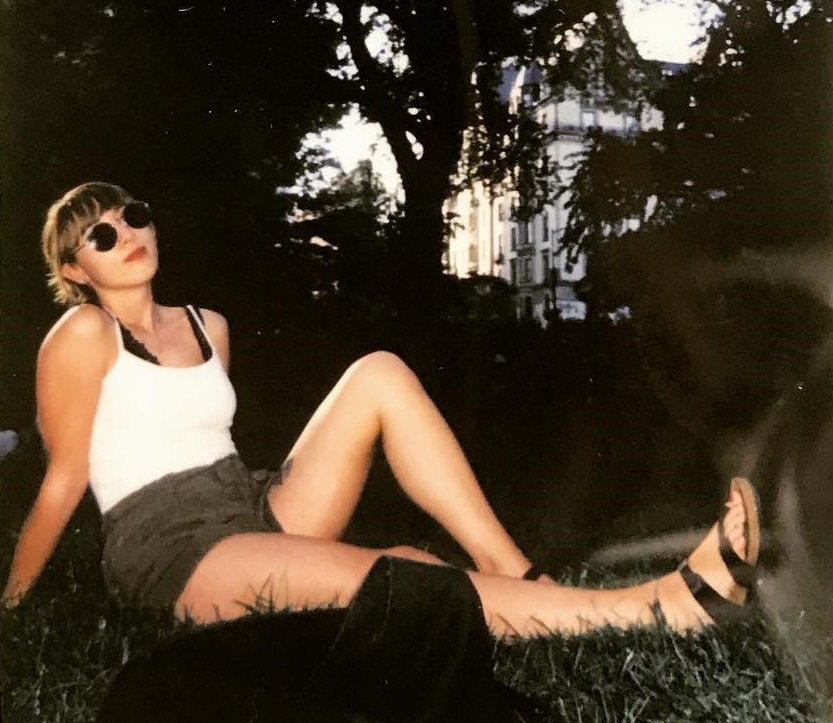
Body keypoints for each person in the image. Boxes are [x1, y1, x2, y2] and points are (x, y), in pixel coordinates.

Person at [3, 181, 760, 639]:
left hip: (251, 503)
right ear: (75, 269)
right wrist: (13, 604)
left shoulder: (209, 326)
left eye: (132, 215)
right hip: (171, 544)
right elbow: (64, 477)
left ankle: (513, 569)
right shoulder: (83, 333)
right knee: (405, 576)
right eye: (101, 235)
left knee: (379, 372)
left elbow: (207, 439)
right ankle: (657, 607)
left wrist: (261, 512)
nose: (127, 235)